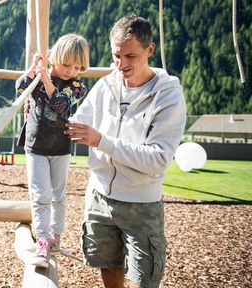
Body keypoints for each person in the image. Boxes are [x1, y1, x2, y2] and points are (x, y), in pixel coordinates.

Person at [65, 15, 186, 287]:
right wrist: (46, 112)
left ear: (150, 50)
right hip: (98, 196)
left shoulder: (168, 95)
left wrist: (100, 141)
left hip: (141, 204)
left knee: (145, 279)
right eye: (116, 55)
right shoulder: (106, 85)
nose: (121, 64)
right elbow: (77, 122)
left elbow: (158, 159)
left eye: (130, 55)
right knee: (108, 267)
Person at [16, 33, 90, 268]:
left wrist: (46, 78)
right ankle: (43, 241)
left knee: (58, 195)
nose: (71, 71)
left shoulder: (77, 86)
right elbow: (20, 87)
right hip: (36, 146)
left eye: (77, 66)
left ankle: (56, 235)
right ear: (55, 57)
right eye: (67, 64)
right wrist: (33, 69)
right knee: (40, 195)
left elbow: (60, 104)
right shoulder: (40, 78)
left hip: (60, 148)